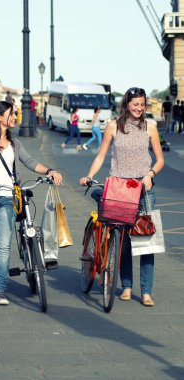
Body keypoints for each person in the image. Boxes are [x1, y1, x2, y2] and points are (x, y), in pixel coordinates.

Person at [0, 101, 62, 306]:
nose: (16, 117)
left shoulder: (14, 143)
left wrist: (49, 171)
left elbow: (29, 161)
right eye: (12, 114)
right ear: (0, 117)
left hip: (7, 200)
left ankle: (0, 289)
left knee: (2, 246)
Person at [80, 87, 164, 307]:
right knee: (125, 240)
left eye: (142, 104)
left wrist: (150, 174)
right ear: (127, 104)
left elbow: (160, 160)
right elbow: (101, 157)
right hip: (119, 188)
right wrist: (89, 176)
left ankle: (146, 291)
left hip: (144, 187)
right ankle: (126, 286)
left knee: (146, 239)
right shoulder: (113, 126)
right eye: (135, 104)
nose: (139, 108)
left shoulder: (151, 127)